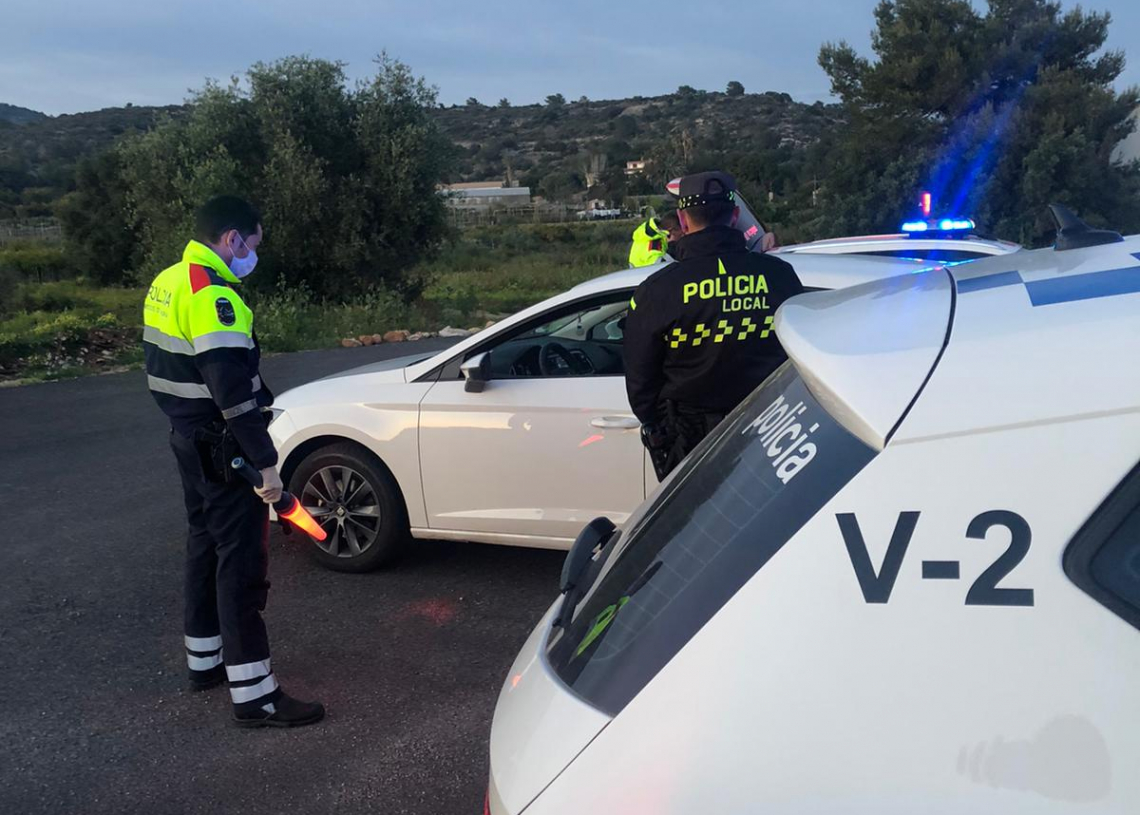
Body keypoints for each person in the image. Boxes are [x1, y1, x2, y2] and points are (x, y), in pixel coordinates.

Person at [143, 195, 324, 728]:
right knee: (241, 561)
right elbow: (233, 392)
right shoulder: (212, 296)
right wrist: (266, 464)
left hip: (186, 436)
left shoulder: (169, 280)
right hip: (223, 445)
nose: (252, 256)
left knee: (204, 544)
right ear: (231, 239)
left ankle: (206, 661)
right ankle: (256, 696)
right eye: (252, 245)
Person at [623, 171, 803, 480]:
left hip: (693, 441)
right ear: (734, 216)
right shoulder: (781, 276)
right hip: (778, 431)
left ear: (683, 220)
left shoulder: (658, 290)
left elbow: (640, 381)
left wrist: (661, 429)